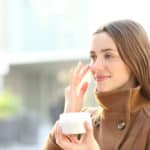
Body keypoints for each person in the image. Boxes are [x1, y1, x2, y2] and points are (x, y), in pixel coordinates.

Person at [43, 19, 150, 150]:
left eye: (108, 55)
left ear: (134, 60)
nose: (95, 66)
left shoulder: (146, 123)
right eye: (93, 57)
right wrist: (69, 119)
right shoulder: (83, 120)